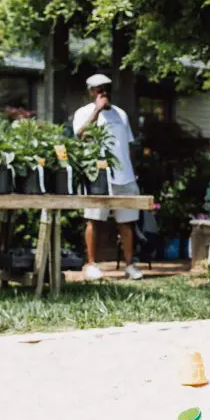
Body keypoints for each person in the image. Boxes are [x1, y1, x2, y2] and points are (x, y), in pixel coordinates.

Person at [72, 73, 143, 281]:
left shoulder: (121, 114)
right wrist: (97, 110)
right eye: (98, 89)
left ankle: (129, 265)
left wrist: (133, 169)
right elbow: (81, 135)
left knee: (127, 222)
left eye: (106, 88)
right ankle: (91, 264)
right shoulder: (83, 112)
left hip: (125, 175)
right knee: (94, 218)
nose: (103, 92)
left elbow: (127, 144)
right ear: (90, 91)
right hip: (98, 174)